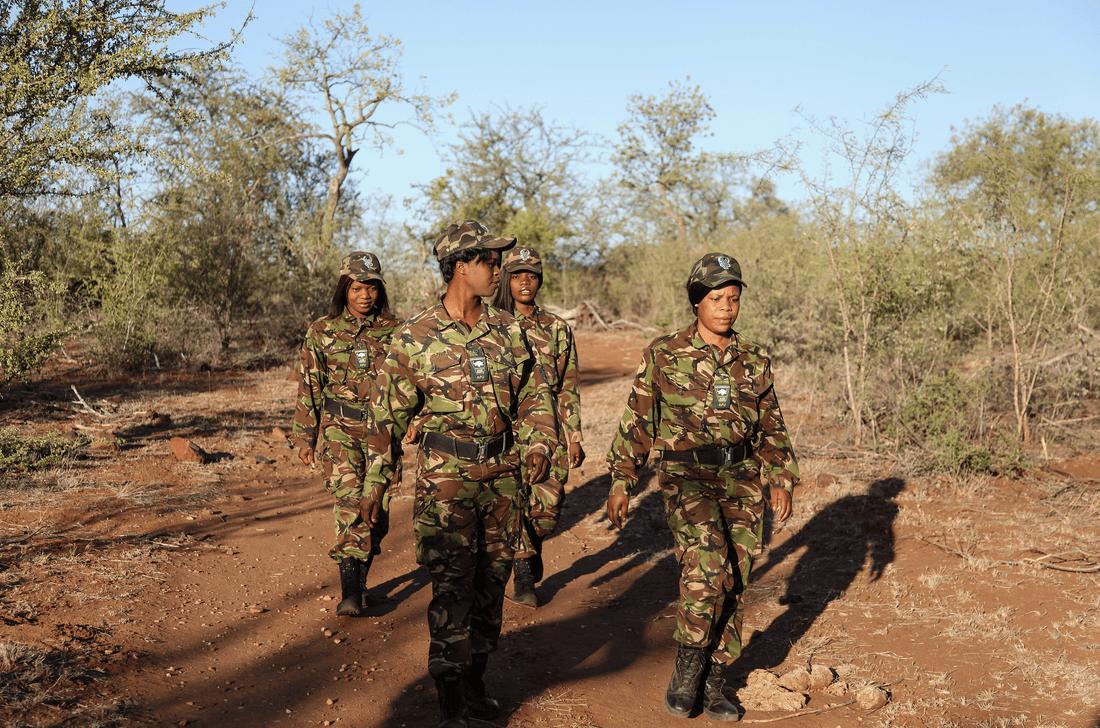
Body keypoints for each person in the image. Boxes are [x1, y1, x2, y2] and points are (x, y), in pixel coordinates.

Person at [360, 220, 556, 728]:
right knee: (452, 587)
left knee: (492, 585)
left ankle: (474, 684)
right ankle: (450, 699)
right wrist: (376, 484)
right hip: (445, 481)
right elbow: (386, 418)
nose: (500, 270)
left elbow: (536, 396)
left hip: (504, 478)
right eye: (490, 262)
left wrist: (538, 442)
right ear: (460, 266)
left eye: (499, 262)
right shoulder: (414, 336)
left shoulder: (509, 331)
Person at [605, 252, 798, 722]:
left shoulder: (754, 359)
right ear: (697, 302)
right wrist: (622, 480)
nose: (726, 307)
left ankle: (715, 678)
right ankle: (688, 665)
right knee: (708, 567)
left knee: (736, 576)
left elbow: (771, 425)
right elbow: (638, 419)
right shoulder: (665, 352)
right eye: (716, 298)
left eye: (733, 298)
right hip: (685, 476)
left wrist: (781, 476)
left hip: (742, 478)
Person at [290, 252, 402, 617]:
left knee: (378, 513)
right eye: (357, 287)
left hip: (383, 432)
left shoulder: (396, 331)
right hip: (339, 430)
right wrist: (305, 437)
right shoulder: (321, 331)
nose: (364, 295)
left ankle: (361, 579)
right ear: (344, 290)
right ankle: (350, 592)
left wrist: (417, 422)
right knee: (351, 504)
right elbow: (310, 386)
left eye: (371, 287)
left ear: (380, 290)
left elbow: (410, 383)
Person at [490, 245, 585, 607]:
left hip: (549, 429)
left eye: (531, 275)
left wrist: (573, 436)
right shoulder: (494, 324)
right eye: (517, 276)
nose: (525, 282)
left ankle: (532, 547)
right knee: (513, 499)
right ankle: (524, 575)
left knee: (547, 506)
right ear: (505, 280)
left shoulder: (556, 328)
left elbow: (569, 384)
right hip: (506, 429)